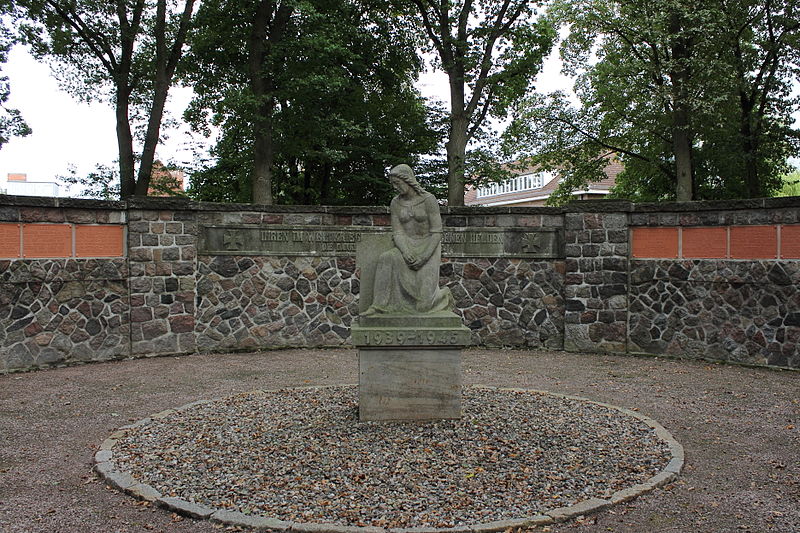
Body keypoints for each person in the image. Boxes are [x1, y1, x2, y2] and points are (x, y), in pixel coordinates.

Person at [363, 164, 454, 315]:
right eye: (392, 184)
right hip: (406, 246)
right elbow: (398, 233)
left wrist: (424, 257)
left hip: (428, 247)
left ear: (408, 180)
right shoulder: (395, 203)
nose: (395, 187)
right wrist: (405, 252)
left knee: (423, 307)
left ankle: (443, 295)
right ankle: (378, 305)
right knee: (387, 258)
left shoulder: (428, 200)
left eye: (397, 183)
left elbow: (437, 232)